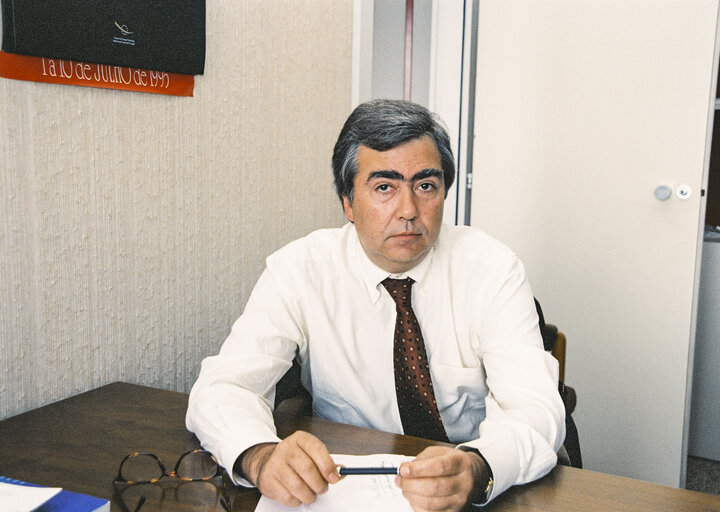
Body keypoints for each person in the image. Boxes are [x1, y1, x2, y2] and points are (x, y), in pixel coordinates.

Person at [186, 99, 565, 511]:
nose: (408, 211)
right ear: (348, 203)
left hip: (465, 480)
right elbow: (224, 386)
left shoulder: (493, 269)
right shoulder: (299, 270)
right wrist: (258, 456)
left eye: (426, 186)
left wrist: (479, 467)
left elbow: (535, 409)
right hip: (346, 487)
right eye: (384, 187)